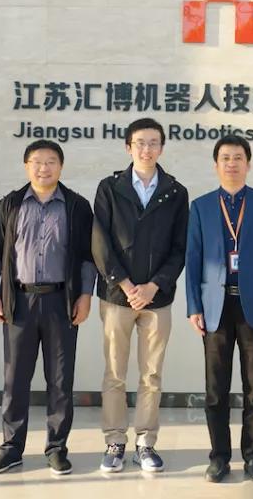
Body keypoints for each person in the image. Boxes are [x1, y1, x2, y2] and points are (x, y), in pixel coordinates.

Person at [0, 139, 97, 476]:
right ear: (26, 166)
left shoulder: (77, 206)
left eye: (50, 162)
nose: (43, 168)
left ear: (61, 166)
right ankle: (11, 448)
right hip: (19, 301)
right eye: (36, 161)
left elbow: (88, 256)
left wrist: (85, 294)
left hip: (62, 301)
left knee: (60, 380)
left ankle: (57, 448)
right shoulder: (9, 204)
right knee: (15, 378)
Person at [185, 135, 253, 484]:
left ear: (248, 163)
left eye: (238, 157)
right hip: (215, 306)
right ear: (216, 164)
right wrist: (193, 306)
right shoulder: (200, 206)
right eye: (225, 158)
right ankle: (219, 457)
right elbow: (193, 259)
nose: (232, 163)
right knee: (216, 389)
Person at [91, 118, 189, 473]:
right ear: (128, 147)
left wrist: (153, 285)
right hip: (117, 296)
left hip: (157, 299)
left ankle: (146, 443)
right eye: (140, 143)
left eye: (153, 143)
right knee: (115, 373)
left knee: (151, 375)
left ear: (162, 147)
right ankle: (115, 441)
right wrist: (125, 284)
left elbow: (180, 247)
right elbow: (100, 241)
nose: (146, 149)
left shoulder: (175, 192)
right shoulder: (110, 187)